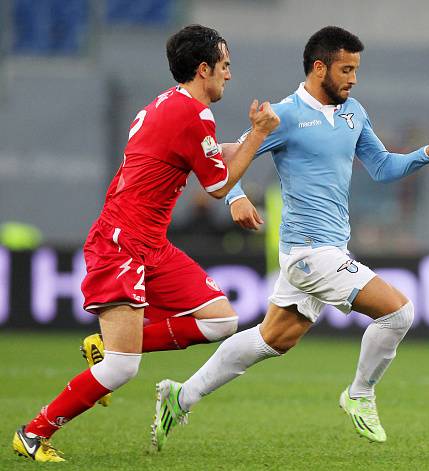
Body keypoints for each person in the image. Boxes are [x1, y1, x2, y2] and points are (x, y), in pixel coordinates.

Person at [150, 25, 429, 449]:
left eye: (356, 70)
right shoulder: (285, 115)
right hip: (309, 252)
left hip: (330, 248)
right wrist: (236, 198)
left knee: (272, 339)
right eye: (346, 70)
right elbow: (223, 157)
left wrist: (426, 154)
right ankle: (360, 395)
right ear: (319, 68)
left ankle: (180, 396)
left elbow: (383, 167)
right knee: (398, 313)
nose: (353, 79)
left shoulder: (354, 113)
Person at [12, 24, 279, 462]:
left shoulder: (170, 103)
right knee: (123, 367)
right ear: (204, 69)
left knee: (221, 320)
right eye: (225, 66)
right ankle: (32, 434)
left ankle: (104, 347)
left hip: (150, 243)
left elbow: (212, 156)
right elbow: (217, 186)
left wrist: (256, 138)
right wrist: (260, 135)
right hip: (120, 242)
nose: (229, 75)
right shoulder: (193, 114)